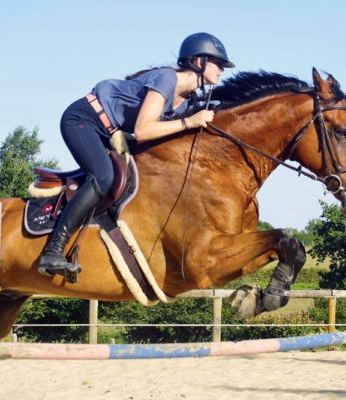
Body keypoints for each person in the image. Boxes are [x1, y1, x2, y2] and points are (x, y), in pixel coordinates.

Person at [38, 32, 235, 280]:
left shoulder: (187, 101)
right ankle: (53, 250)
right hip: (83, 119)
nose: (222, 70)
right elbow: (143, 131)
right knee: (103, 177)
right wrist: (190, 122)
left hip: (108, 131)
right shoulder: (166, 79)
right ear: (199, 62)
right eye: (218, 63)